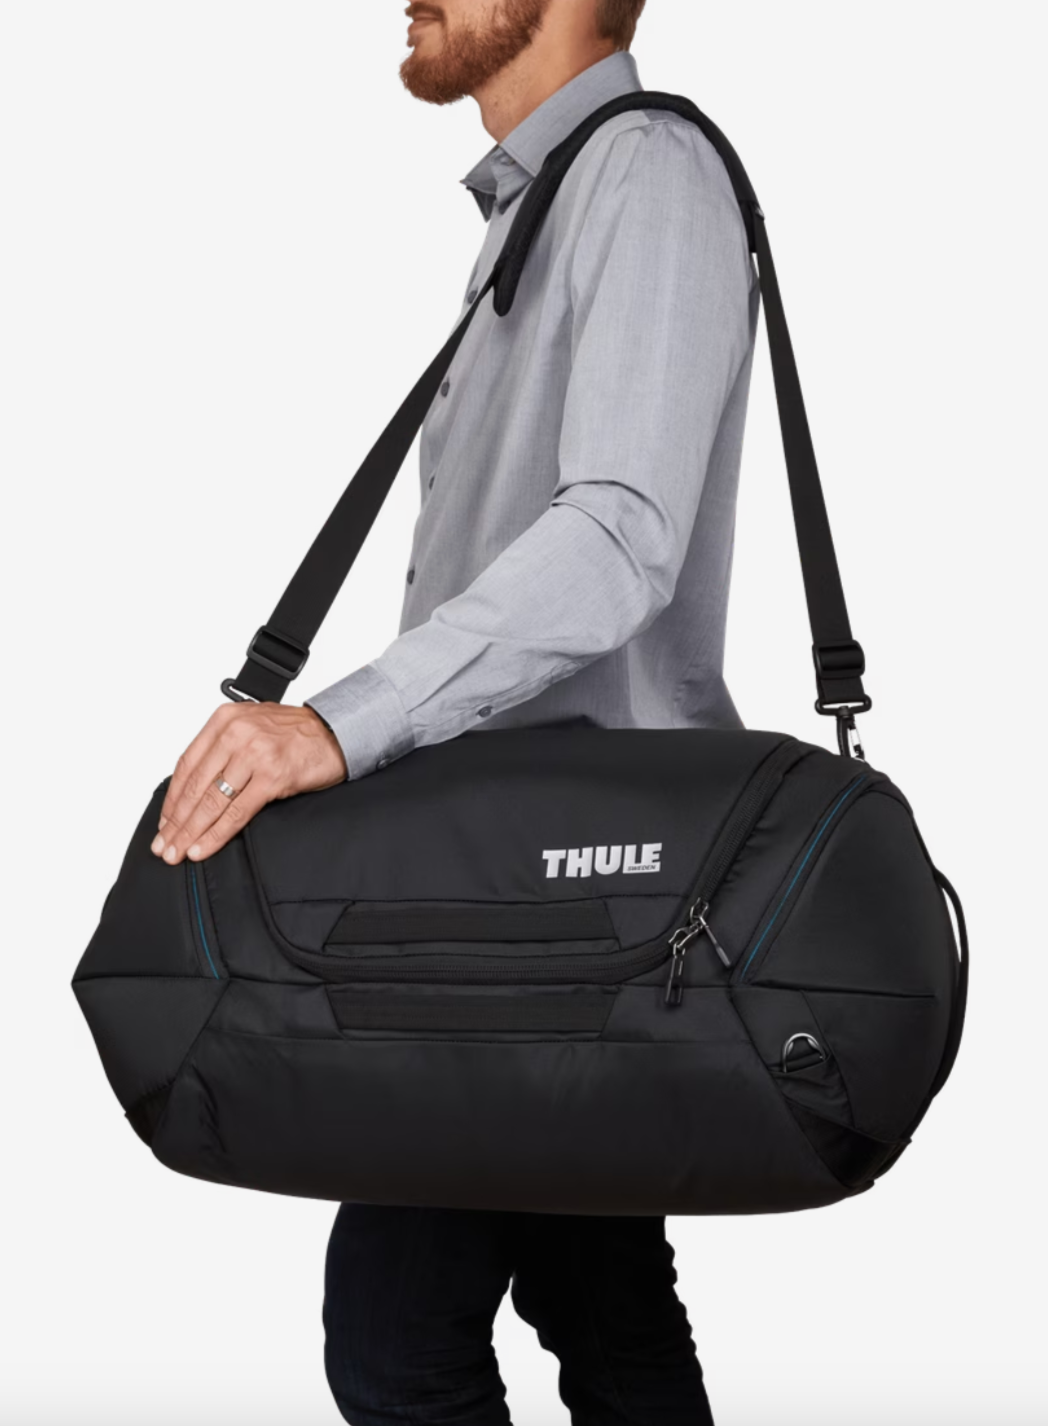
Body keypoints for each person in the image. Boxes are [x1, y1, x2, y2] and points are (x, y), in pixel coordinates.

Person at [148, 1, 757, 1420]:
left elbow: (618, 535)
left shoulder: (644, 169)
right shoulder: (551, 200)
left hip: (568, 898)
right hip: (529, 885)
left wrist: (339, 724)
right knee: (599, 1304)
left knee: (399, 1331)